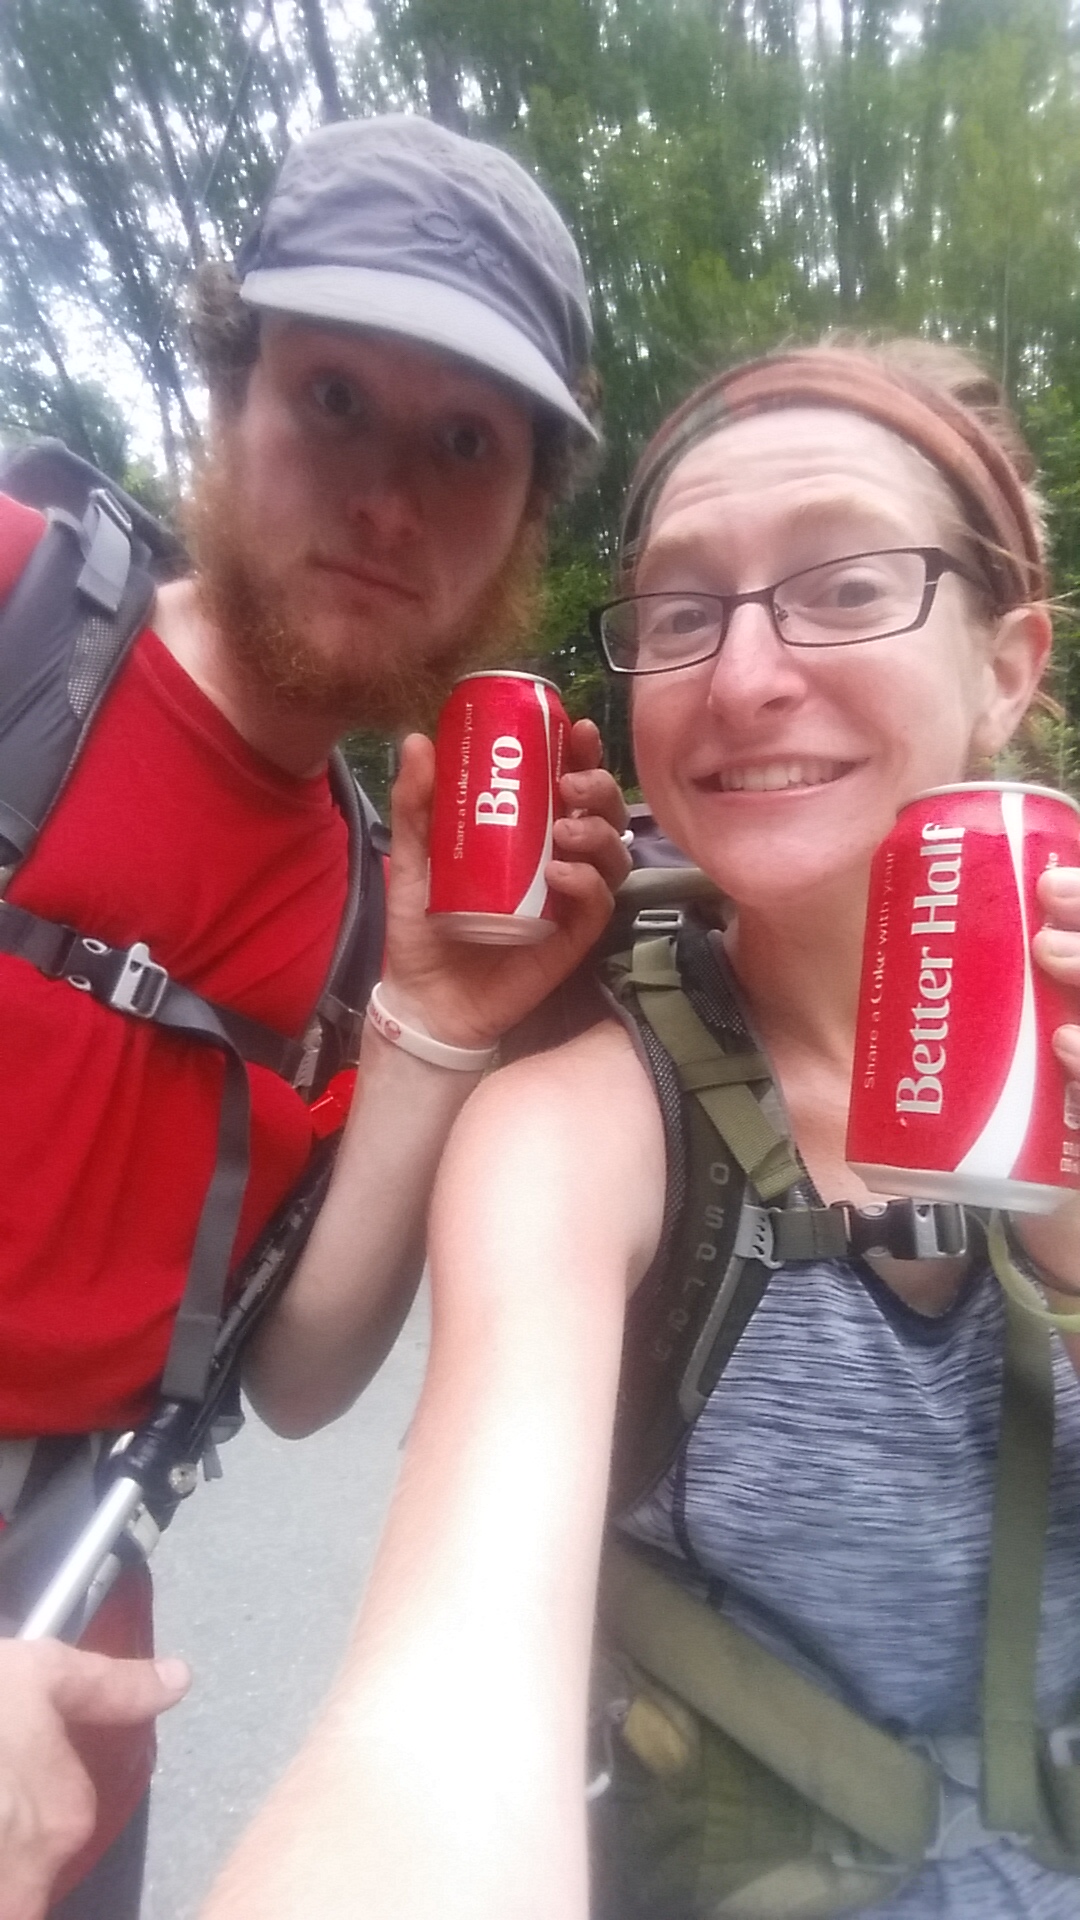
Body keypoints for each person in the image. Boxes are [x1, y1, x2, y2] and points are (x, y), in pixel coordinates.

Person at [199, 337, 1080, 1920]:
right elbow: (439, 1728)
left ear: (1008, 667)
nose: (743, 676)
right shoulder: (582, 1128)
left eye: (846, 585)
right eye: (679, 611)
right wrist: (432, 1016)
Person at [0, 114, 631, 1919]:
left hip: (71, 1716)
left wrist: (431, 1009)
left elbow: (291, 1378)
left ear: (522, 524)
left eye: (465, 445)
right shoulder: (14, 609)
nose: (387, 504)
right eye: (334, 398)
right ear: (227, 395)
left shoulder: (373, 897)